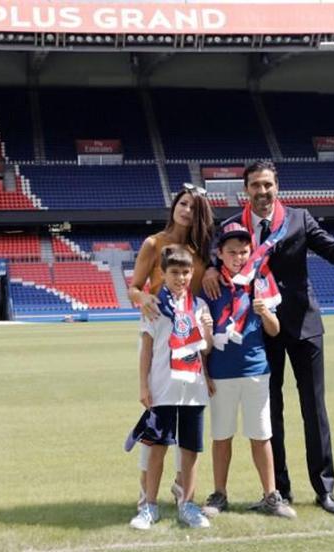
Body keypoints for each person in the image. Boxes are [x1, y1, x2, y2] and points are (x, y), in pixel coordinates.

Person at [202, 160, 334, 515]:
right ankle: (279, 490)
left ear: (277, 187)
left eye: (268, 185)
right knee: (270, 412)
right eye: (255, 186)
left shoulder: (300, 219)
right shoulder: (233, 226)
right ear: (245, 190)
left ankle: (324, 488)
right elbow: (214, 259)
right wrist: (206, 270)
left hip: (304, 326)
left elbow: (332, 251)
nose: (262, 192)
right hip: (262, 330)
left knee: (314, 408)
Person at [200, 222, 297, 519]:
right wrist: (205, 373)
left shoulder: (260, 280)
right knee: (221, 436)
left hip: (256, 369)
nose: (238, 257)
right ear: (220, 253)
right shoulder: (211, 284)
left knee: (261, 435)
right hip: (221, 373)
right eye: (232, 252)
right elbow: (203, 340)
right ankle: (219, 494)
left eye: (243, 252)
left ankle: (270, 495)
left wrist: (266, 312)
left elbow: (275, 329)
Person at [126, 185, 215, 509]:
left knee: (190, 427)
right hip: (157, 337)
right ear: (174, 205)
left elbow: (197, 302)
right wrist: (144, 297)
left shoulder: (201, 251)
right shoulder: (154, 243)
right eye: (182, 203)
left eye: (193, 206)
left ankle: (182, 489)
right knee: (156, 421)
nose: (186, 210)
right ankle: (145, 493)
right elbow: (133, 288)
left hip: (190, 346)